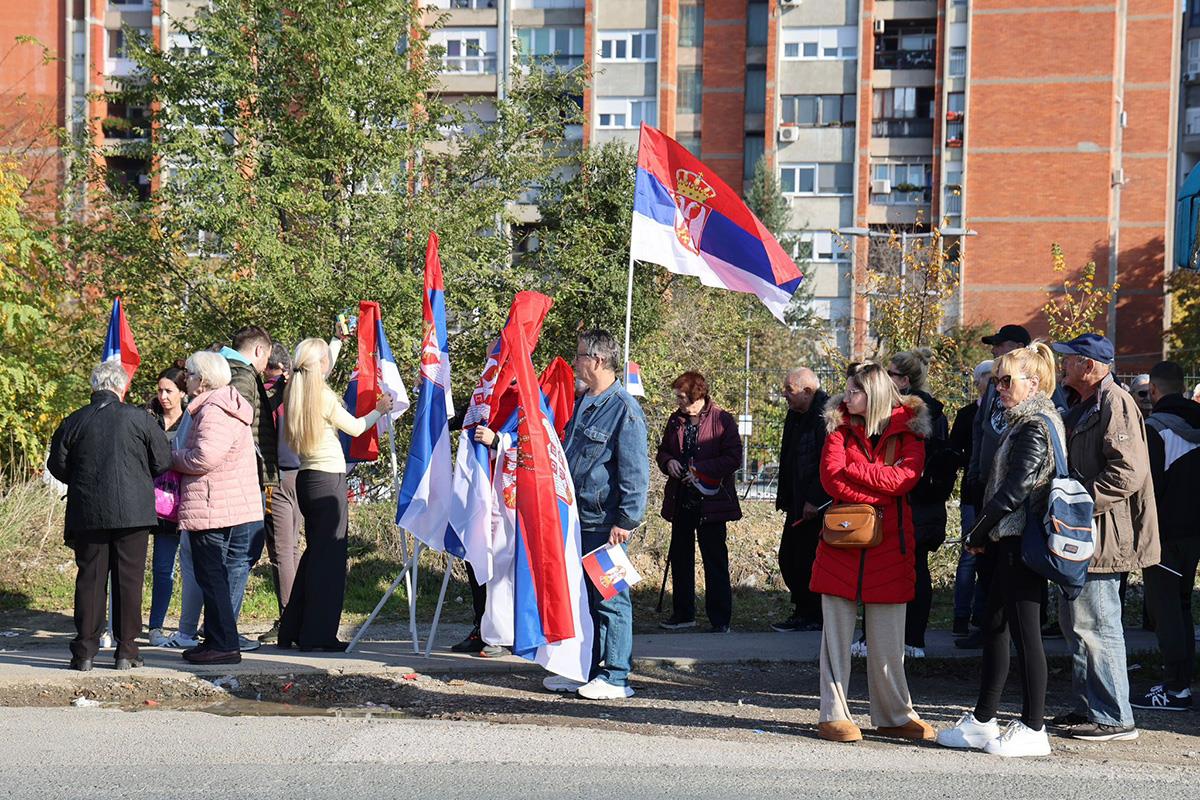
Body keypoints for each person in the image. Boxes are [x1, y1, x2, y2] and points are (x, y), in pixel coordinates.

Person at [937, 342, 1062, 758]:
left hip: (1021, 541)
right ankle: (983, 720)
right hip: (1009, 539)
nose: (999, 388)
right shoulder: (1022, 421)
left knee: (1026, 635)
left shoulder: (1035, 424)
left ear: (1034, 383)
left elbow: (1015, 489)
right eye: (996, 380)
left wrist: (978, 531)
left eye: (1007, 380)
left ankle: (1034, 728)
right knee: (994, 627)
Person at [812, 362, 933, 743]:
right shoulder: (838, 426)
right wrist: (878, 489)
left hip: (891, 547)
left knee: (889, 641)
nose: (847, 397)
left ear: (875, 394)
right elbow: (831, 478)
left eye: (855, 391)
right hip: (841, 542)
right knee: (835, 638)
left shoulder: (910, 429)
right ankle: (833, 715)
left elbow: (905, 479)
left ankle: (894, 714)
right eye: (848, 390)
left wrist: (856, 471)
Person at [1051, 333, 1160, 741]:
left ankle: (1114, 716)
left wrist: (1078, 504)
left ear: (1090, 366)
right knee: (1077, 625)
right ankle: (1089, 707)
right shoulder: (1084, 401)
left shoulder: (1116, 402)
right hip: (1084, 535)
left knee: (1098, 625)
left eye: (1069, 359)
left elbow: (1127, 472)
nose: (1063, 365)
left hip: (1103, 535)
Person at [542, 329, 648, 700]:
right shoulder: (583, 400)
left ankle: (616, 676)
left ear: (598, 360)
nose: (575, 362)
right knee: (584, 600)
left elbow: (635, 473)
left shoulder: (624, 409)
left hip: (606, 523)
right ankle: (586, 670)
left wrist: (625, 521)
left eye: (580, 355)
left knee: (611, 599)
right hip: (578, 518)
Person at [48, 362, 172, 671]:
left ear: (94, 386)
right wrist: (138, 476)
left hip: (88, 510)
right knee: (129, 581)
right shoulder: (140, 419)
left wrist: (81, 481)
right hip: (133, 511)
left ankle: (84, 652)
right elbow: (162, 460)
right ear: (121, 387)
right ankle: (126, 650)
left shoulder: (74, 421)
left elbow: (57, 464)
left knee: (90, 580)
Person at [278, 337, 393, 651]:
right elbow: (355, 428)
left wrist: (337, 342)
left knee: (314, 556)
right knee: (328, 561)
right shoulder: (324, 396)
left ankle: (293, 629)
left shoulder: (297, 389)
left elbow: (319, 366)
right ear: (321, 365)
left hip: (306, 479)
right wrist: (379, 410)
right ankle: (318, 635)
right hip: (328, 479)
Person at [172, 351, 264, 665]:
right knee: (215, 576)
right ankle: (216, 639)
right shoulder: (226, 404)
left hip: (212, 504)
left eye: (190, 374)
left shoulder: (213, 409)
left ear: (203, 380)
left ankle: (223, 643)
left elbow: (204, 457)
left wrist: (172, 458)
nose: (186, 380)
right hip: (225, 503)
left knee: (211, 576)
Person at [1131, 361, 1200, 712]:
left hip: (1164, 533)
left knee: (1166, 610)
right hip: (1194, 533)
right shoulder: (1197, 423)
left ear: (1154, 391)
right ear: (1184, 387)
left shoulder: (1154, 429)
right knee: (1183, 606)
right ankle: (1181, 682)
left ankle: (1175, 689)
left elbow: (1147, 487)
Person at [655, 371, 742, 633]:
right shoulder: (675, 420)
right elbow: (663, 451)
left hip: (711, 501)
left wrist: (699, 469)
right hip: (681, 499)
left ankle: (720, 619)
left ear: (697, 395)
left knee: (715, 559)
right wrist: (668, 462)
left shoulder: (722, 420)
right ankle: (683, 614)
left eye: (682, 397)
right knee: (680, 557)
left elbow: (733, 458)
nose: (678, 402)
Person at [887, 348, 952, 659]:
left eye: (890, 373)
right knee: (917, 568)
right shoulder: (937, 411)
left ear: (904, 380)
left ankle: (909, 638)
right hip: (929, 502)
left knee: (907, 570)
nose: (885, 379)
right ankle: (912, 639)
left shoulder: (911, 412)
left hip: (912, 501)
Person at [219, 325, 278, 649]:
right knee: (243, 553)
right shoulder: (241, 375)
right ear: (258, 350)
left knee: (231, 554)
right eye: (266, 357)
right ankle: (225, 631)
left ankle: (219, 627)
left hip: (237, 478)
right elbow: (236, 425)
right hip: (245, 479)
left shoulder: (226, 370)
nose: (266, 365)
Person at [771, 367, 830, 632]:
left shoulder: (824, 416)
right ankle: (802, 609)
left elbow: (826, 462)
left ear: (807, 391)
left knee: (807, 560)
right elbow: (789, 457)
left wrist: (815, 499)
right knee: (789, 557)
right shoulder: (794, 414)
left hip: (815, 506)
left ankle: (813, 613)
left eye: (789, 390)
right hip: (796, 501)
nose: (784, 394)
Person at [257, 341, 303, 645]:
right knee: (293, 549)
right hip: (303, 473)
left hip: (278, 476)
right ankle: (296, 613)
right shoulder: (301, 390)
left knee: (281, 552)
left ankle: (289, 618)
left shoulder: (268, 393)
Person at [948, 360, 992, 638]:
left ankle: (982, 614)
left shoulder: (1002, 412)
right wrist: (973, 462)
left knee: (990, 555)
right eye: (987, 379)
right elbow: (954, 451)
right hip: (972, 492)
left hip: (993, 493)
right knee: (969, 552)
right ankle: (961, 615)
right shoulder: (966, 415)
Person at [146, 366, 189, 647]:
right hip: (145, 501)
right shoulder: (148, 418)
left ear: (182, 392)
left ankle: (157, 626)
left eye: (169, 391)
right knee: (143, 568)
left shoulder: (190, 420)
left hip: (179, 505)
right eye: (160, 390)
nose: (163, 396)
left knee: (166, 569)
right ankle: (130, 624)